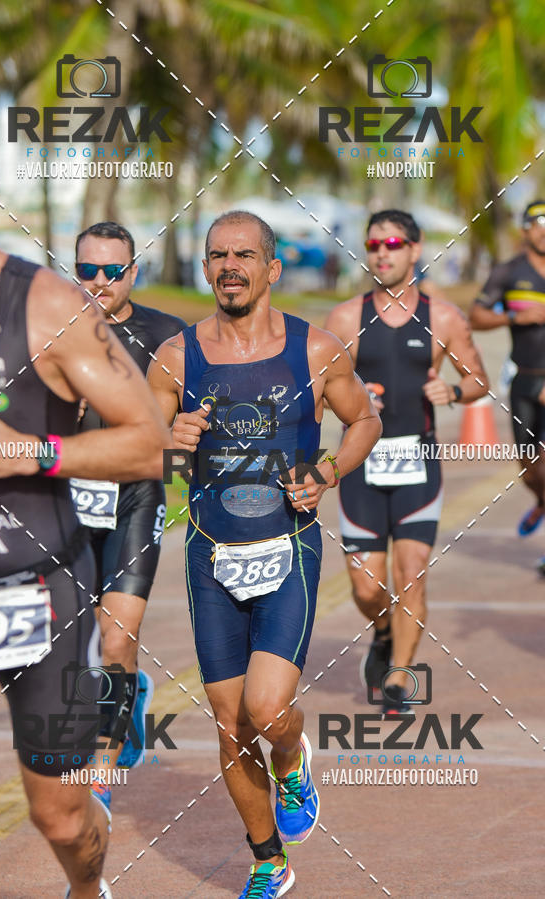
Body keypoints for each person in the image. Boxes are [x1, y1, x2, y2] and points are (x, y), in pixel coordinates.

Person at [0, 114, 170, 898]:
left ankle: (86, 886)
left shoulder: (48, 309)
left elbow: (147, 444)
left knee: (64, 818)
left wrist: (27, 450)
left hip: (42, 591)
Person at [148, 210, 381, 898]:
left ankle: (291, 759)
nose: (230, 266)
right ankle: (268, 861)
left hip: (287, 547)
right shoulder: (175, 356)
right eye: (218, 255)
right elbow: (141, 443)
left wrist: (329, 471)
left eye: (244, 255)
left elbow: (364, 416)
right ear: (205, 267)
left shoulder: (316, 349)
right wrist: (171, 438)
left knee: (268, 710)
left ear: (271, 267)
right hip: (210, 552)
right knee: (228, 725)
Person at [325, 209, 489, 716]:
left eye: (393, 243)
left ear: (415, 250)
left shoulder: (442, 317)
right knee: (366, 585)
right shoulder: (346, 318)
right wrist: (351, 396)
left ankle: (397, 682)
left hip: (417, 464)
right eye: (373, 244)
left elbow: (479, 379)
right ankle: (381, 629)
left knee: (412, 571)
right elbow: (318, 390)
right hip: (362, 465)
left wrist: (454, 390)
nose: (382, 252)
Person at [73, 222, 186, 789]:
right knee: (76, 643)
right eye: (86, 270)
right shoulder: (53, 329)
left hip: (137, 497)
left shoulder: (166, 335)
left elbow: (199, 421)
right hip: (67, 499)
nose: (98, 281)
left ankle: (101, 773)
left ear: (132, 272)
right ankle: (128, 693)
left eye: (111, 271)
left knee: (117, 636)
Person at [470, 201, 545, 549]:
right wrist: (516, 318)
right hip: (525, 382)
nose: (544, 230)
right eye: (537, 223)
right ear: (525, 230)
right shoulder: (509, 271)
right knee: (530, 470)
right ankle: (541, 500)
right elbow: (476, 316)